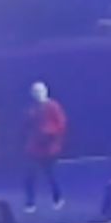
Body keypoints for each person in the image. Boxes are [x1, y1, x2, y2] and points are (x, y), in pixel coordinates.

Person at [24, 82, 66, 212]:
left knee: (50, 175)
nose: (38, 94)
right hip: (34, 148)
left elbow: (61, 124)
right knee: (30, 175)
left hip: (48, 148)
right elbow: (28, 125)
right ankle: (30, 202)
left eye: (40, 91)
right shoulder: (33, 108)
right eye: (35, 92)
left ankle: (57, 198)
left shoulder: (53, 106)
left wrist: (49, 133)